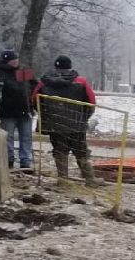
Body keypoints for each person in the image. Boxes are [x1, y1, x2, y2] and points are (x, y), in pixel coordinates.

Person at [33, 55, 97, 185]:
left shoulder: (44, 82)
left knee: (59, 151)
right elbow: (91, 102)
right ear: (70, 66)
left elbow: (35, 100)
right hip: (76, 124)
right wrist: (83, 117)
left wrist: (47, 115)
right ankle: (90, 179)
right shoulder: (81, 81)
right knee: (81, 152)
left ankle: (63, 180)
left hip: (55, 124)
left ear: (56, 67)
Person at [0, 50, 38, 170]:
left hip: (25, 111)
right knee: (7, 137)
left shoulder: (24, 71)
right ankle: (9, 159)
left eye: (16, 59)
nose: (15, 62)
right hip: (8, 112)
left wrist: (32, 103)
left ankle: (25, 161)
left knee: (26, 137)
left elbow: (35, 86)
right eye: (12, 60)